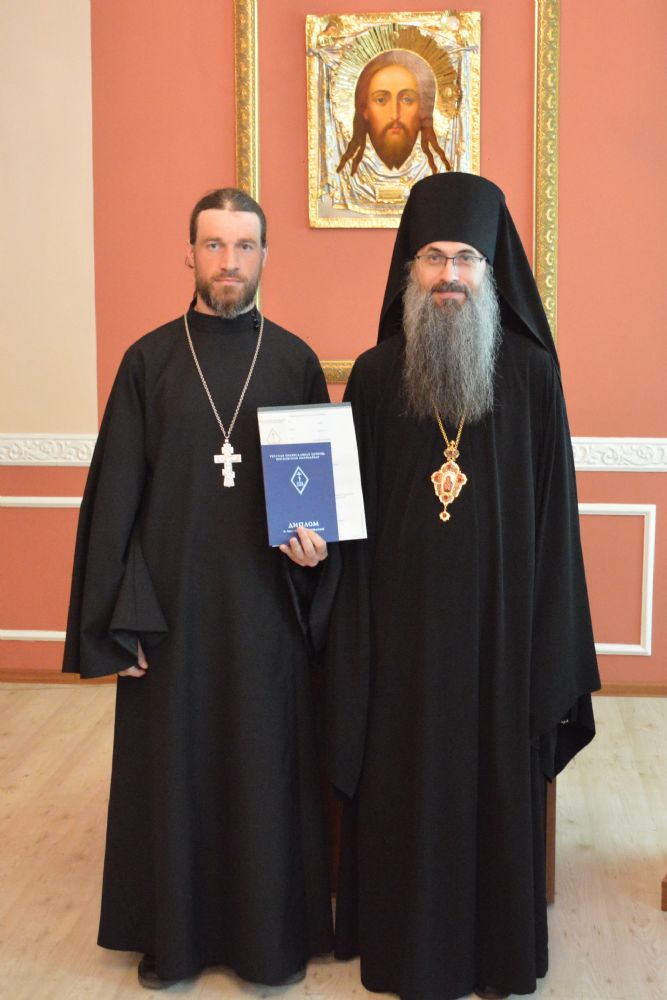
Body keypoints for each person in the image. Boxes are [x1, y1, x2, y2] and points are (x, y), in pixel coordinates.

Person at [326, 172, 601, 1000]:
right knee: (401, 788)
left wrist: (548, 646)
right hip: (400, 643)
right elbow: (343, 526)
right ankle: (402, 949)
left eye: (465, 259)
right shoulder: (375, 378)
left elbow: (555, 526)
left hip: (500, 642)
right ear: (407, 269)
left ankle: (495, 952)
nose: (448, 275)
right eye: (433, 258)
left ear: (491, 269)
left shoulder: (533, 379)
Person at [63, 188, 338, 989]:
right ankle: (173, 940)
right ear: (188, 254)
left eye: (244, 246)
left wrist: (317, 551)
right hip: (172, 613)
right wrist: (119, 623)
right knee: (174, 778)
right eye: (213, 245)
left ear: (264, 256)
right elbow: (114, 500)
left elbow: (316, 502)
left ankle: (267, 944)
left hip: (264, 612)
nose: (228, 261)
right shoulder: (147, 361)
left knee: (263, 774)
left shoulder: (293, 360)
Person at [337, 49, 451, 176]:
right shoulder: (349, 178)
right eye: (381, 100)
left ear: (422, 109)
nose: (395, 115)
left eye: (407, 99)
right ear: (364, 110)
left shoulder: (435, 171)